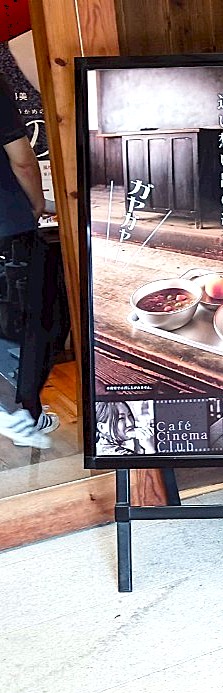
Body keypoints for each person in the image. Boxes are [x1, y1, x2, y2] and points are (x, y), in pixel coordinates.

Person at [0, 73, 58, 436]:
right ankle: (19, 412)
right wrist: (36, 203)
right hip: (7, 222)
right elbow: (22, 159)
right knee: (32, 318)